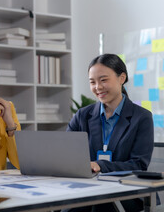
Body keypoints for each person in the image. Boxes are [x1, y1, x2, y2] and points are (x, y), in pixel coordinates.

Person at [66, 53, 154, 211]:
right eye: (92, 82)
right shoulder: (83, 116)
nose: (97, 87)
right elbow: (65, 152)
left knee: (97, 205)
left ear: (122, 78)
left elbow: (139, 164)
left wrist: (100, 165)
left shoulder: (142, 117)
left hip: (125, 190)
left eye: (103, 80)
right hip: (85, 187)